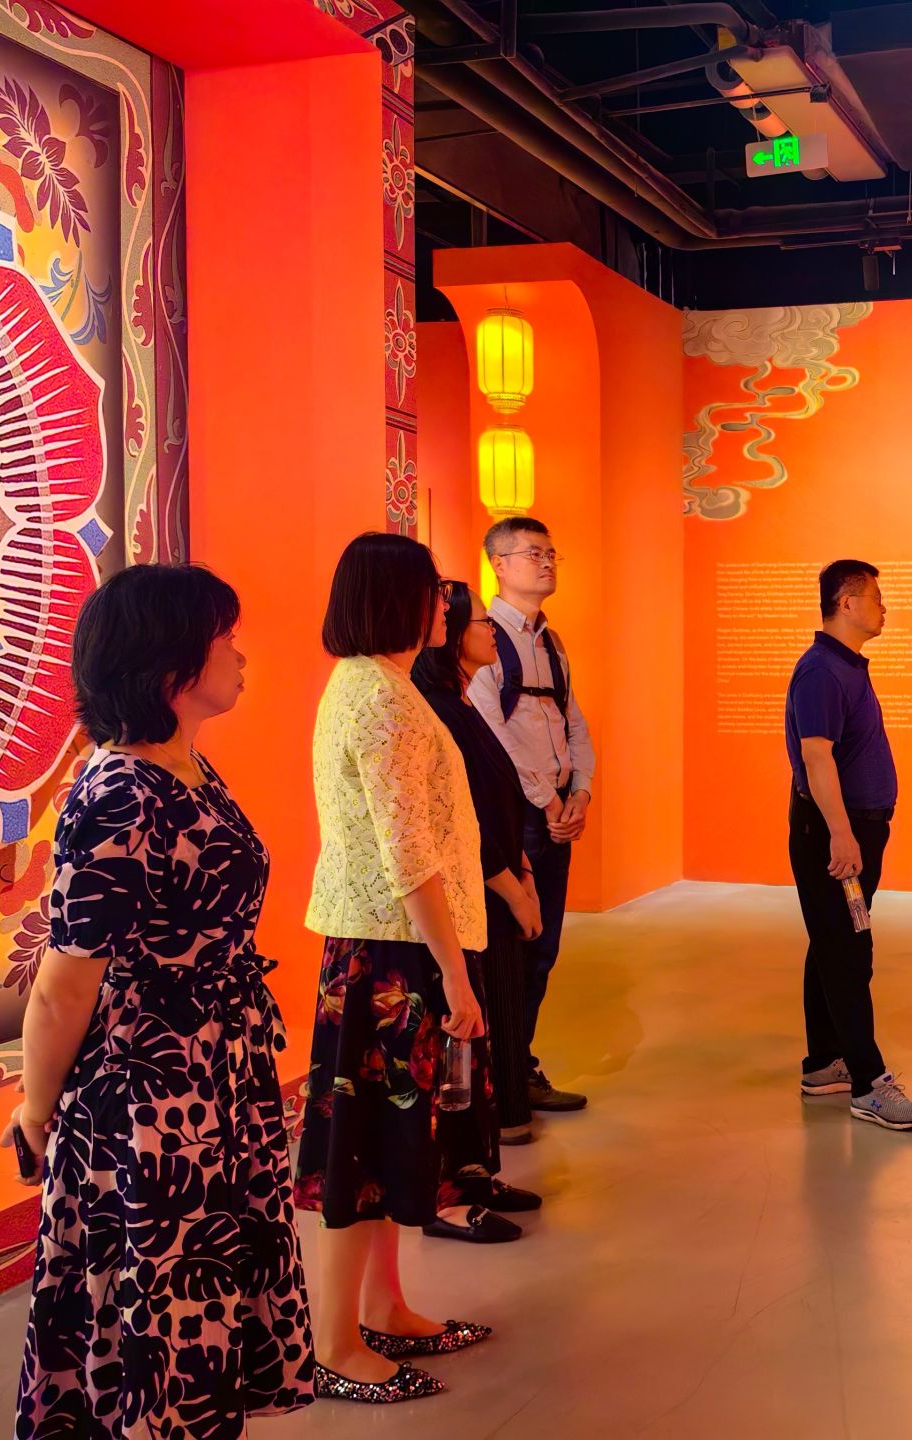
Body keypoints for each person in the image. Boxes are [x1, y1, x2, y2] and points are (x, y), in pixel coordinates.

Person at [10, 563, 313, 1438]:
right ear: (173, 663)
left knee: (204, 1288)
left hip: (216, 1070)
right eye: (224, 640)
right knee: (161, 1295)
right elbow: (66, 982)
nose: (240, 656)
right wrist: (35, 1110)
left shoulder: (185, 766)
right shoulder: (117, 793)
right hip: (154, 1093)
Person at [294, 533, 491, 1403]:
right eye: (433, 590)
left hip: (387, 943)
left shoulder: (374, 684)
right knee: (360, 1146)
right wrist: (455, 973)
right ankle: (336, 1342)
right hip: (391, 951)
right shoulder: (377, 696)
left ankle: (383, 1307)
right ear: (396, 598)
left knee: (381, 1140)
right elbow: (407, 853)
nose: (445, 605)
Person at [411, 579, 548, 1235]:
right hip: (474, 895)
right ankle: (454, 1183)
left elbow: (495, 801)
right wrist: (510, 885)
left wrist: (521, 870)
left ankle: (476, 1170)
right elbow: (452, 823)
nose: (491, 630)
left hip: (491, 886)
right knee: (462, 1044)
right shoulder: (435, 709)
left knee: (485, 1039)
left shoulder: (461, 704)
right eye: (476, 623)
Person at [785, 560, 912, 1131]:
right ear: (846, 603)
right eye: (876, 597)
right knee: (848, 951)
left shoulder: (844, 665)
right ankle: (869, 1084)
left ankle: (824, 1062)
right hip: (833, 831)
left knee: (831, 942)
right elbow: (815, 757)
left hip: (853, 827)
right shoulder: (821, 671)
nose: (884, 607)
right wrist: (841, 833)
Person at [470, 518, 594, 1115]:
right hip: (516, 817)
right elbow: (492, 736)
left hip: (556, 812)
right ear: (499, 564)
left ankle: (518, 1066)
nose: (546, 563)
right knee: (510, 946)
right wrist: (548, 800)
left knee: (542, 947)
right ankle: (498, 1080)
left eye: (551, 553)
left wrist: (581, 793)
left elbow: (574, 723)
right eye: (532, 553)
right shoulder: (482, 640)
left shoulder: (552, 641)